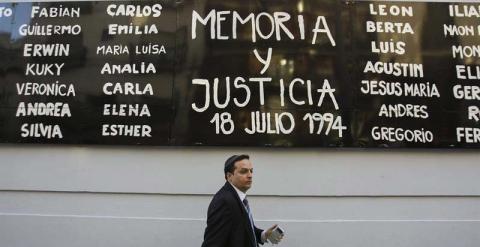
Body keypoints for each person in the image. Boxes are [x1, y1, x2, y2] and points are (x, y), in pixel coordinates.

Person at [201, 154, 282, 247]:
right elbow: (212, 243)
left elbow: (244, 230)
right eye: (244, 171)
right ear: (229, 176)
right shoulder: (224, 202)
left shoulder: (237, 197)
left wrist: (263, 235)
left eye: (251, 171)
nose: (250, 175)